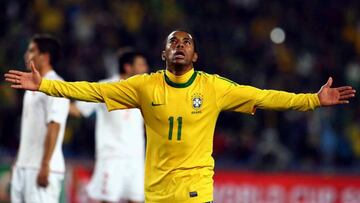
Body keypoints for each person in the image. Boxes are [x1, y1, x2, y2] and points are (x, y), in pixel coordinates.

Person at [5, 30, 356, 203]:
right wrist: (46, 86)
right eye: (173, 41)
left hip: (194, 188)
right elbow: (93, 91)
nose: (179, 45)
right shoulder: (144, 86)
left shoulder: (214, 87)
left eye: (186, 42)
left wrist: (312, 100)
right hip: (156, 190)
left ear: (195, 54)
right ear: (163, 53)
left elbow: (264, 97)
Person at [69, 50, 148, 203]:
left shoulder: (144, 90)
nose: (145, 68)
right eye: (141, 64)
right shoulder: (106, 87)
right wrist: (52, 99)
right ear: (127, 67)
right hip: (112, 158)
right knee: (107, 200)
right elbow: (78, 110)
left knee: (136, 199)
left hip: (136, 159)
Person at [9, 34, 69, 203]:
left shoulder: (57, 85)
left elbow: (55, 125)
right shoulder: (31, 87)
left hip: (42, 168)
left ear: (45, 56)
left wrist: (45, 164)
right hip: (25, 165)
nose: (26, 55)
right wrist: (19, 162)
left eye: (31, 50)